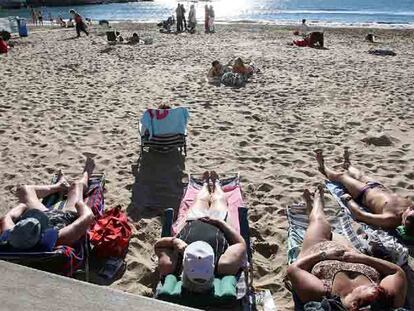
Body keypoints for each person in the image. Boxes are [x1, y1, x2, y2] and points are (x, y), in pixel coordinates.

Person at [287, 185, 407, 310]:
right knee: (327, 225)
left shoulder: (323, 294)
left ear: (354, 304)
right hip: (348, 250)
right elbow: (397, 272)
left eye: (369, 289)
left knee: (318, 221)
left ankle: (316, 202)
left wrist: (324, 255)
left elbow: (294, 270)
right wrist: (360, 258)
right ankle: (315, 206)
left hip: (318, 247)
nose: (376, 286)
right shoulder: (383, 300)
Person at [154, 171, 246, 293]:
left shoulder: (170, 266)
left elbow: (158, 245)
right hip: (219, 223)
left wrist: (175, 241)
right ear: (212, 264)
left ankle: (205, 185)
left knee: (200, 200)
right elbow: (240, 244)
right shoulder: (224, 266)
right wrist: (220, 223)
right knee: (219, 200)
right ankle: (216, 184)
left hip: (193, 221)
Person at [0, 158, 96, 251]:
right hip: (63, 216)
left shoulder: (12, 237)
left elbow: (7, 217)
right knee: (76, 186)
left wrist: (23, 206)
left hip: (43, 215)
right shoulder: (59, 238)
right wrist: (79, 203)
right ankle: (86, 174)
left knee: (25, 189)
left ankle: (58, 186)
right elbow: (88, 216)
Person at [316, 148, 414, 235]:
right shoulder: (410, 207)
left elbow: (361, 215)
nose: (410, 208)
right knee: (360, 175)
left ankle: (323, 167)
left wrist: (349, 199)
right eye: (412, 210)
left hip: (363, 192)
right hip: (379, 187)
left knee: (342, 176)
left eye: (410, 213)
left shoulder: (390, 219)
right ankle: (348, 166)